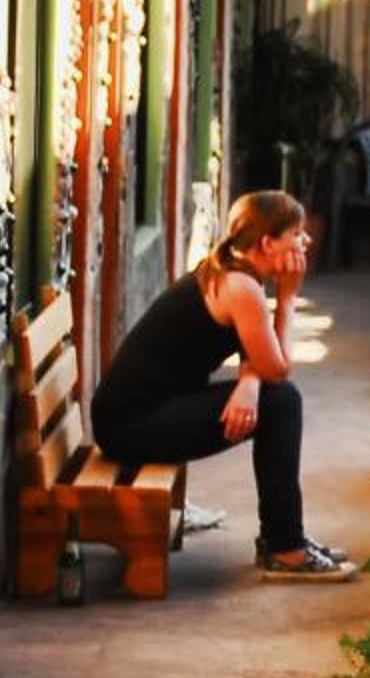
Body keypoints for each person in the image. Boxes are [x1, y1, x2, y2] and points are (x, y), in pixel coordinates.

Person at [91, 189, 353, 576]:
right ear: (268, 243)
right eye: (297, 233)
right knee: (283, 402)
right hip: (133, 426)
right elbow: (277, 368)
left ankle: (282, 538)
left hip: (132, 414)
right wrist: (289, 298)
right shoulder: (241, 287)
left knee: (276, 399)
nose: (307, 240)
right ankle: (285, 546)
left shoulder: (229, 269)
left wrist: (249, 383)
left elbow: (256, 352)